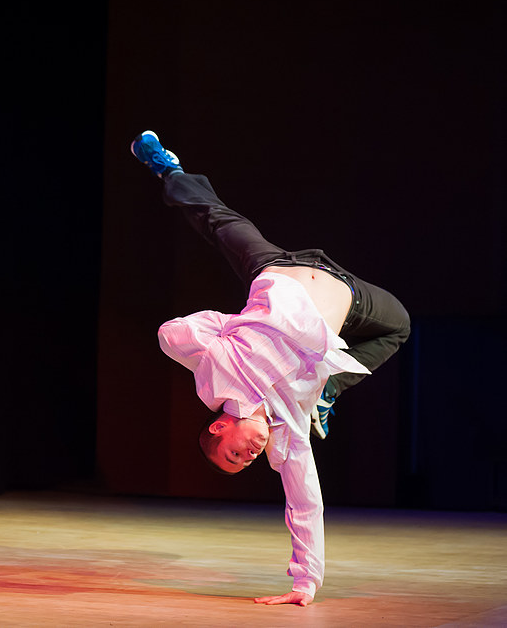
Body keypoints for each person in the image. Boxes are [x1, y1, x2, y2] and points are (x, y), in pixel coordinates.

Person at [131, 130, 411, 606]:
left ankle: (168, 168)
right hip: (349, 297)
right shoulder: (289, 434)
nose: (252, 456)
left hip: (276, 270)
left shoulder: (216, 372)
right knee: (399, 325)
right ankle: (328, 390)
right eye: (246, 463)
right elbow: (304, 502)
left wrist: (233, 326)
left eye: (236, 455)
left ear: (220, 426)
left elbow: (168, 334)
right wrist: (306, 584)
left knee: (218, 221)